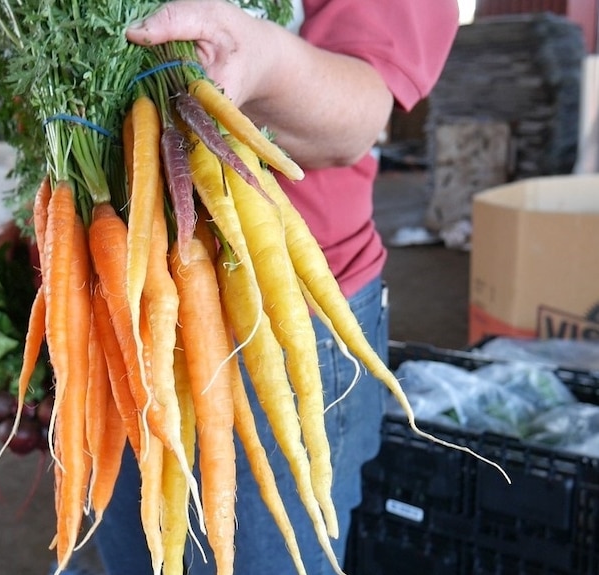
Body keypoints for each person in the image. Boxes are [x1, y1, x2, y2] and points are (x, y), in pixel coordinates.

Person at [81, 1, 461, 574]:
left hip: (275, 310)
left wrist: (263, 64)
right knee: (139, 547)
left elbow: (358, 114)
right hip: (112, 307)